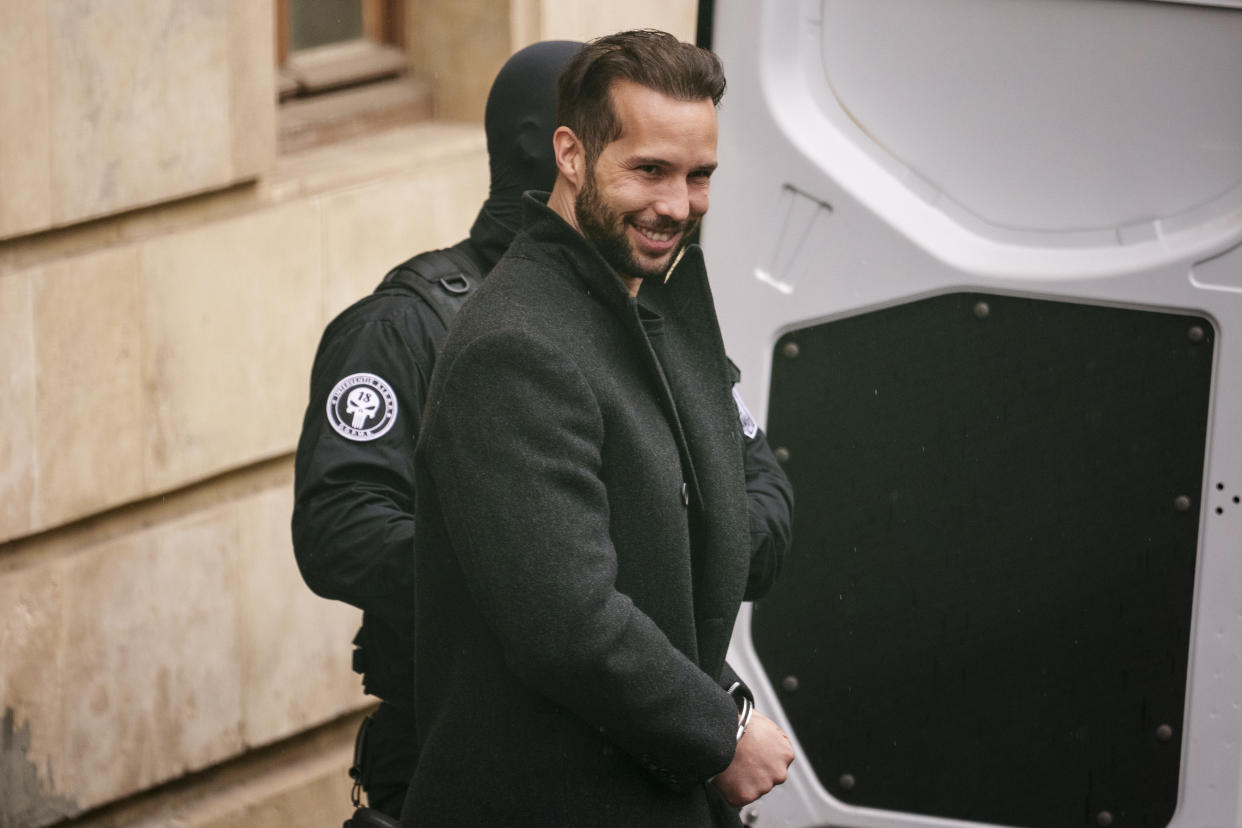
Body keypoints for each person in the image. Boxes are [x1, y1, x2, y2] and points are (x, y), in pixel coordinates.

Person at [402, 30, 795, 827]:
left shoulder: (653, 306)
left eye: (699, 176)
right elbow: (569, 623)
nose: (677, 206)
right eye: (649, 170)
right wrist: (722, 732)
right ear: (571, 155)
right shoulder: (516, 346)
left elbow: (754, 492)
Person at [291, 41, 583, 821]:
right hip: (463, 756)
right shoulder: (407, 326)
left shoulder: (633, 315)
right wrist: (533, 584)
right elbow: (340, 527)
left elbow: (758, 495)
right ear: (548, 148)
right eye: (621, 142)